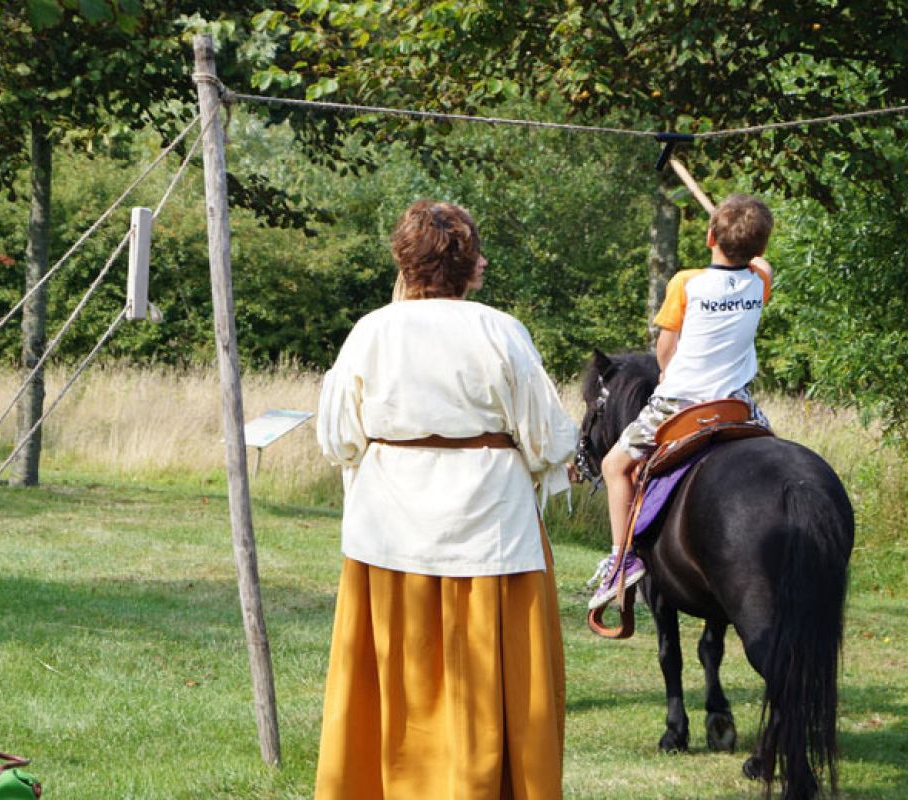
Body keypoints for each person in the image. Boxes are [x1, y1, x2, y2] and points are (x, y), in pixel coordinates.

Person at [314, 201, 576, 799]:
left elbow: (337, 438)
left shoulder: (372, 330)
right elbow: (546, 437)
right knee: (493, 681)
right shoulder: (500, 330)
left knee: (391, 679)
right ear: (470, 266)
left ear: (405, 262)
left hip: (390, 529)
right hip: (491, 529)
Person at [588, 194, 774, 611]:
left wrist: (669, 372)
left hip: (680, 401)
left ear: (710, 236)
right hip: (736, 402)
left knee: (614, 465)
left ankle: (622, 559)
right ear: (760, 247)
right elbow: (761, 264)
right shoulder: (760, 280)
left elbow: (665, 349)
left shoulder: (685, 283)